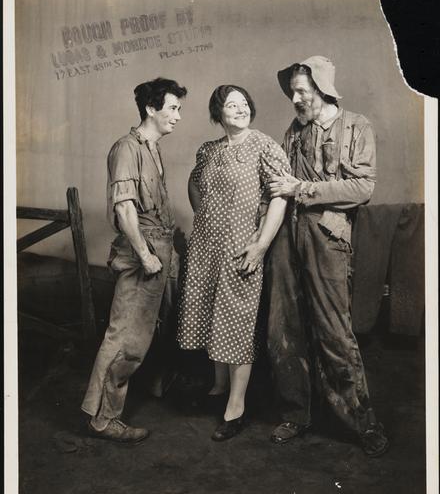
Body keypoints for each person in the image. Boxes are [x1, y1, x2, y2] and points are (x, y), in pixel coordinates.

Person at [265, 56, 389, 457]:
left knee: (334, 330)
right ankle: (296, 414)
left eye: (302, 91)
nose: (295, 99)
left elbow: (363, 187)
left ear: (323, 89)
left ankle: (361, 421)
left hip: (328, 236)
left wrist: (301, 189)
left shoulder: (356, 126)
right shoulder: (293, 131)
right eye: (293, 92)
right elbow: (278, 184)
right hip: (287, 237)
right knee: (285, 325)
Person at [177, 85, 290, 441]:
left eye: (244, 103)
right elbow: (195, 184)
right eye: (231, 104)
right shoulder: (208, 150)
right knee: (213, 313)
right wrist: (206, 218)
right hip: (206, 248)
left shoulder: (264, 146)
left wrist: (260, 245)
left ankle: (236, 406)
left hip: (242, 248)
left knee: (235, 321)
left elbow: (280, 198)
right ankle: (218, 387)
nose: (241, 109)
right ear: (218, 113)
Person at [81, 77, 187, 443]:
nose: (178, 116)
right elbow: (125, 209)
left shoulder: (152, 148)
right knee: (125, 337)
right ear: (151, 109)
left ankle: (150, 386)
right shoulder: (126, 149)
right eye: (172, 108)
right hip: (143, 254)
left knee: (146, 333)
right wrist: (145, 256)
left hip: (160, 248)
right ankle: (102, 419)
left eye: (179, 109)